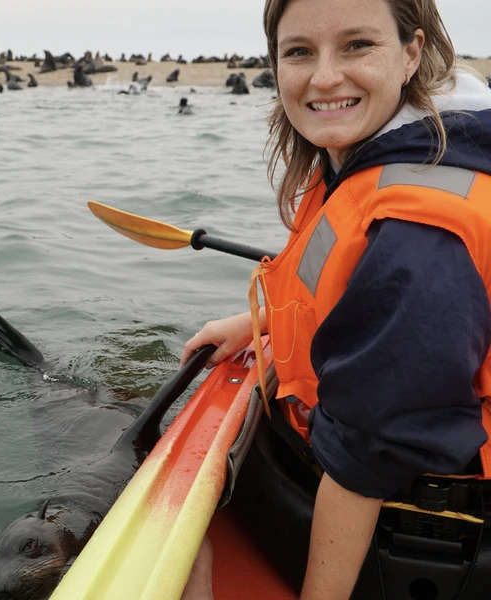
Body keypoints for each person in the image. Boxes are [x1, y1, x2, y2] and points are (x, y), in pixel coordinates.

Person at [180, 0, 491, 598]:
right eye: (300, 51)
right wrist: (260, 321)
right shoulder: (388, 153)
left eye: (357, 45)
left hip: (423, 529)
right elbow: (346, 286)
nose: (324, 77)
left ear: (412, 52)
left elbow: (368, 454)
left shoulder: (419, 231)